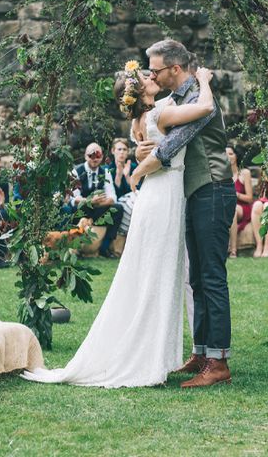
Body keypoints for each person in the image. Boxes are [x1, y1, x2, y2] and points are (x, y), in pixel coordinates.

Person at [22, 59, 214, 388]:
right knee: (158, 274)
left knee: (152, 274)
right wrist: (205, 79)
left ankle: (155, 352)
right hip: (164, 198)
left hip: (156, 197)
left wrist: (140, 164)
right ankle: (147, 356)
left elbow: (169, 103)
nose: (152, 76)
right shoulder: (160, 114)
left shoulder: (141, 119)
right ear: (139, 90)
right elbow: (205, 107)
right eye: (145, 76)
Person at [131, 39, 236, 388]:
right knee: (197, 279)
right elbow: (156, 130)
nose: (151, 75)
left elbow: (174, 143)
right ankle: (202, 352)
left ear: (175, 69)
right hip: (193, 192)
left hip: (213, 188)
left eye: (156, 70)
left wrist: (140, 167)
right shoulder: (176, 100)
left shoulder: (198, 101)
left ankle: (218, 362)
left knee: (211, 276)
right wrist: (143, 146)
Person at [71, 143, 124, 258]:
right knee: (78, 207)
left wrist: (98, 203)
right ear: (85, 156)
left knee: (118, 208)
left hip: (98, 209)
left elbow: (112, 197)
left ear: (102, 157)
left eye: (98, 155)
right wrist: (90, 201)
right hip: (82, 210)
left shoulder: (105, 172)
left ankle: (105, 248)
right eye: (91, 155)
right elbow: (74, 198)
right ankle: (75, 248)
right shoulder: (76, 172)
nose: (95, 159)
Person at [106, 138, 138, 238]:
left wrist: (127, 176)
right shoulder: (107, 169)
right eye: (119, 149)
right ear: (113, 151)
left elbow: (137, 190)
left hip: (133, 199)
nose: (122, 153)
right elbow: (114, 195)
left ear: (128, 152)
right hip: (119, 203)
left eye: (124, 150)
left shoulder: (133, 167)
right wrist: (118, 176)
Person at [226, 144, 253, 258]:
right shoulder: (221, 174)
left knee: (233, 210)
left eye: (231, 154)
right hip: (226, 206)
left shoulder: (244, 173)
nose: (228, 157)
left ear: (236, 156)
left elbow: (250, 198)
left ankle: (233, 250)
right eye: (225, 155)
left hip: (242, 207)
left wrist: (236, 194)